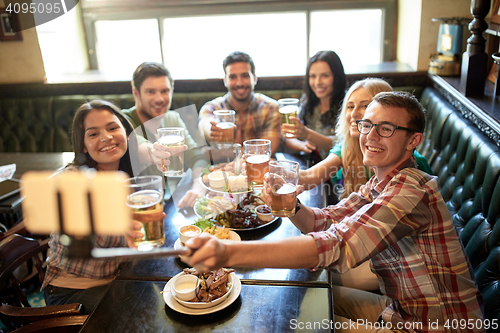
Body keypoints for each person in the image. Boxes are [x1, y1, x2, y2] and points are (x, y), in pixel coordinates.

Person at [182, 92, 484, 332]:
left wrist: (228, 253)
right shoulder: (380, 182)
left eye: (386, 129)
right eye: (366, 125)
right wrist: (291, 204)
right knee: (297, 305)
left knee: (296, 323)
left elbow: (336, 245)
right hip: (401, 310)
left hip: (439, 324)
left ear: (413, 140)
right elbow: (323, 220)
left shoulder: (411, 189)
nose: (370, 135)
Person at [42, 100, 145, 314]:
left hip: (116, 278)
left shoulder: (127, 176)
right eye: (93, 134)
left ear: (126, 132)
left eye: (112, 128)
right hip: (70, 292)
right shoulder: (76, 176)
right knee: (139, 313)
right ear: (83, 145)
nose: (106, 137)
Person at [298, 78, 433, 200]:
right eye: (350, 106)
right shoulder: (348, 146)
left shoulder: (414, 163)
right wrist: (278, 172)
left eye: (365, 106)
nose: (353, 114)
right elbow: (309, 178)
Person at [122, 62, 208, 208]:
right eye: (150, 92)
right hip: (135, 206)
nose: (160, 99)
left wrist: (198, 187)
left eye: (165, 91)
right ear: (136, 93)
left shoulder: (172, 118)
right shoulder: (122, 121)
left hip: (167, 202)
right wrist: (154, 153)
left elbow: (197, 158)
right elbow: (139, 145)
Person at [198, 51, 281, 156]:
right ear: (225, 81)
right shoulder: (212, 107)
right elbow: (205, 125)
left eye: (245, 76)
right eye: (232, 77)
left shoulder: (271, 108)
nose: (239, 83)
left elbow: (266, 151)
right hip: (220, 171)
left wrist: (217, 154)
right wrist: (212, 130)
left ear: (254, 79)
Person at [282, 50, 346, 159]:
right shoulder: (308, 102)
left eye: (325, 75)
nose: (317, 82)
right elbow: (289, 138)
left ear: (337, 77)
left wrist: (308, 134)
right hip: (309, 164)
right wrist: (302, 145)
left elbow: (344, 144)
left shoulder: (349, 104)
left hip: (337, 170)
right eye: (312, 76)